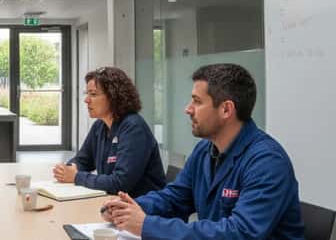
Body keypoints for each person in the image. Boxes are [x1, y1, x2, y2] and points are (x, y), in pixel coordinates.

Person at [103, 63, 305, 239]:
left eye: (197, 101)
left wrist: (146, 225)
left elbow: (239, 233)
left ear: (226, 109)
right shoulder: (205, 150)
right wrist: (127, 209)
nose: (188, 109)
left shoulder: (267, 162)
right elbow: (175, 197)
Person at [53, 66, 166, 197]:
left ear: (113, 97)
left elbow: (120, 183)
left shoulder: (134, 128)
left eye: (93, 94)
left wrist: (76, 176)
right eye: (87, 94)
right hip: (115, 204)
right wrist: (70, 168)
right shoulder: (100, 126)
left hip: (144, 209)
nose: (86, 100)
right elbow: (83, 160)